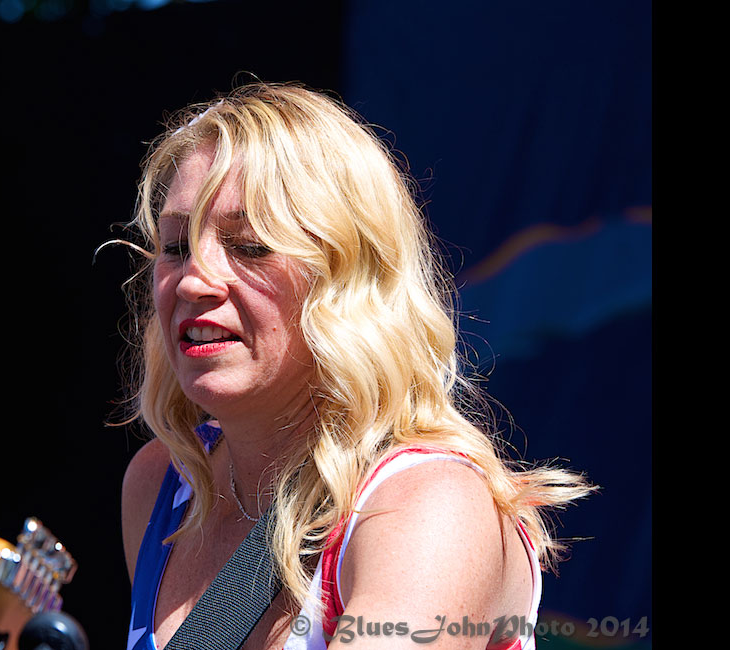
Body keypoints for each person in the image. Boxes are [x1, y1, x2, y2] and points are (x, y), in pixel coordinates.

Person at [113, 83, 593, 649]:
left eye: (249, 245)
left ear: (347, 277)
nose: (193, 278)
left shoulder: (425, 504)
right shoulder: (160, 485)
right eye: (175, 246)